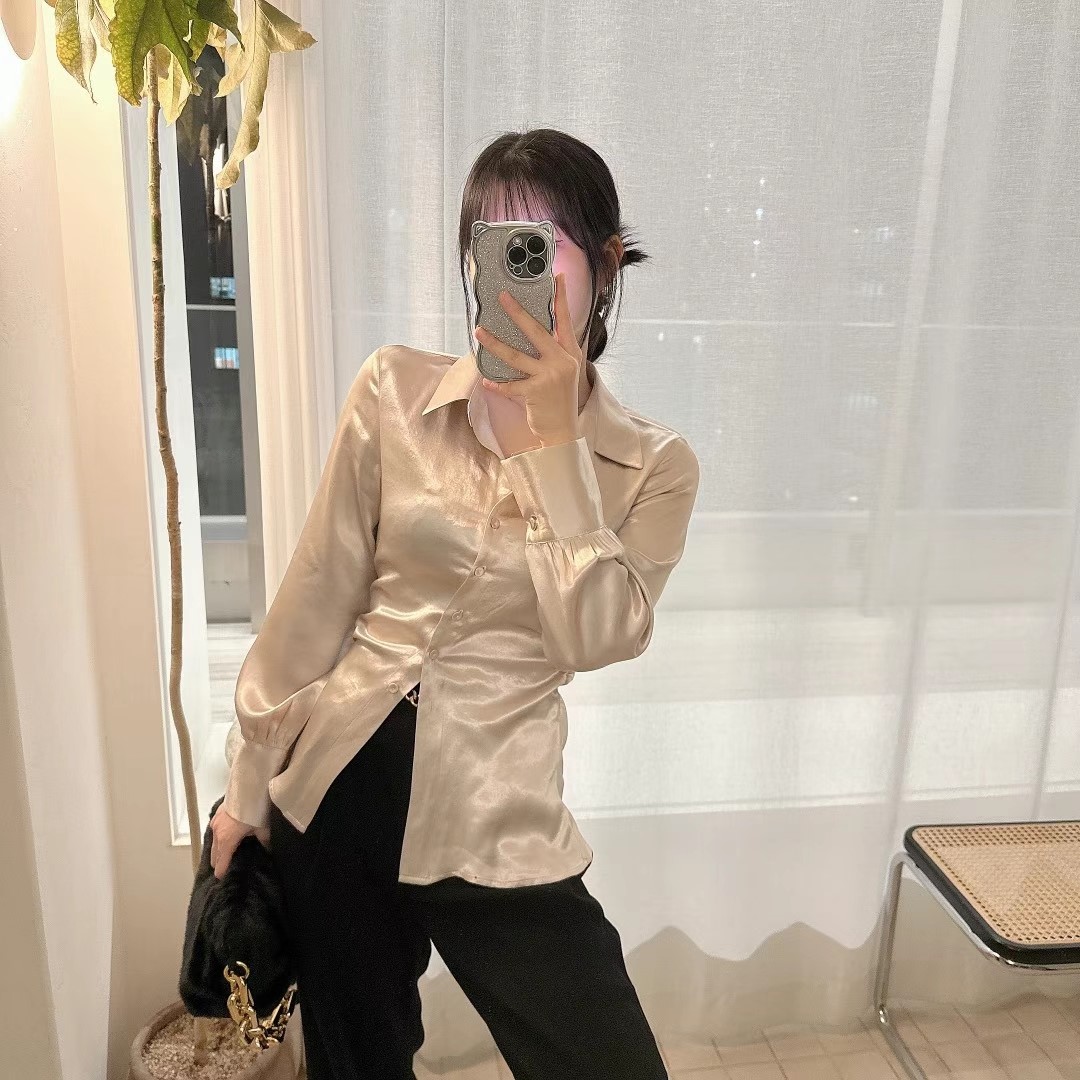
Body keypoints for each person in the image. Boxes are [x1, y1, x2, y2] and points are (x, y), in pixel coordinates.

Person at [209, 128, 700, 1080]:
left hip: (497, 810)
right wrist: (247, 787)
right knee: (358, 1064)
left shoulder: (654, 465)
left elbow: (596, 635)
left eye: (540, 244)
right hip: (338, 787)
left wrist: (550, 448)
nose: (512, 269)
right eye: (492, 241)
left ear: (605, 263)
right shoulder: (395, 392)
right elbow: (317, 598)